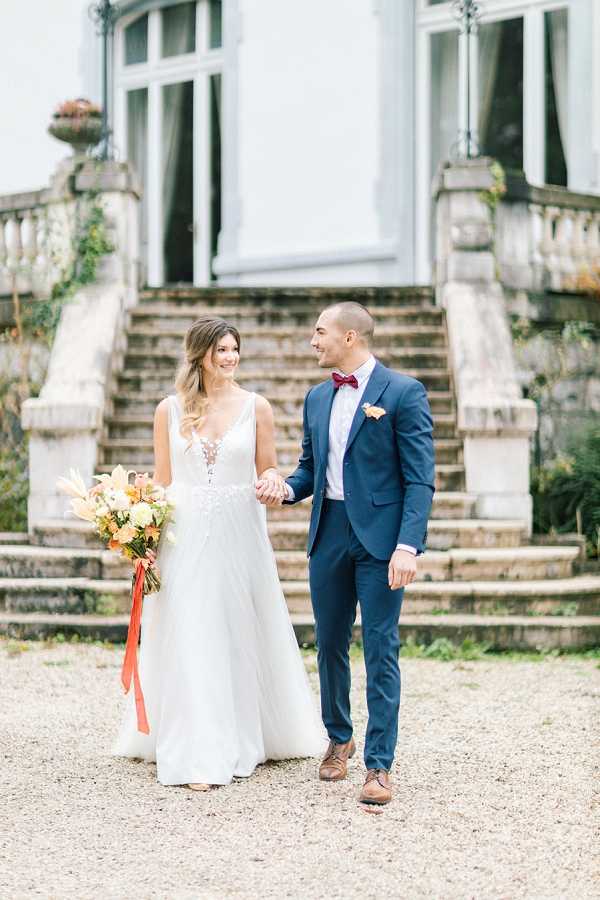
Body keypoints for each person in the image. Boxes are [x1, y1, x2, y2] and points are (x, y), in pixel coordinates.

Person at [113, 316, 326, 789]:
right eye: (221, 350)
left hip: (239, 532)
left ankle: (243, 732)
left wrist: (273, 480)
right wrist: (140, 531)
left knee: (234, 629)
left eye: (234, 350)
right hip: (185, 532)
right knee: (190, 631)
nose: (230, 358)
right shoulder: (169, 410)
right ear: (200, 355)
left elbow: (268, 467)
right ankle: (197, 752)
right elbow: (164, 481)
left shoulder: (257, 407)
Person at [256, 302, 435, 806]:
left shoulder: (403, 393)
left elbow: (420, 478)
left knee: (381, 647)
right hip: (329, 532)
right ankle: (339, 738)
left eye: (320, 332)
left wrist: (407, 545)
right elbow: (309, 469)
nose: (313, 341)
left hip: (382, 541)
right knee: (329, 642)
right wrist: (284, 491)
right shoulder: (317, 397)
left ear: (350, 337)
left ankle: (379, 766)